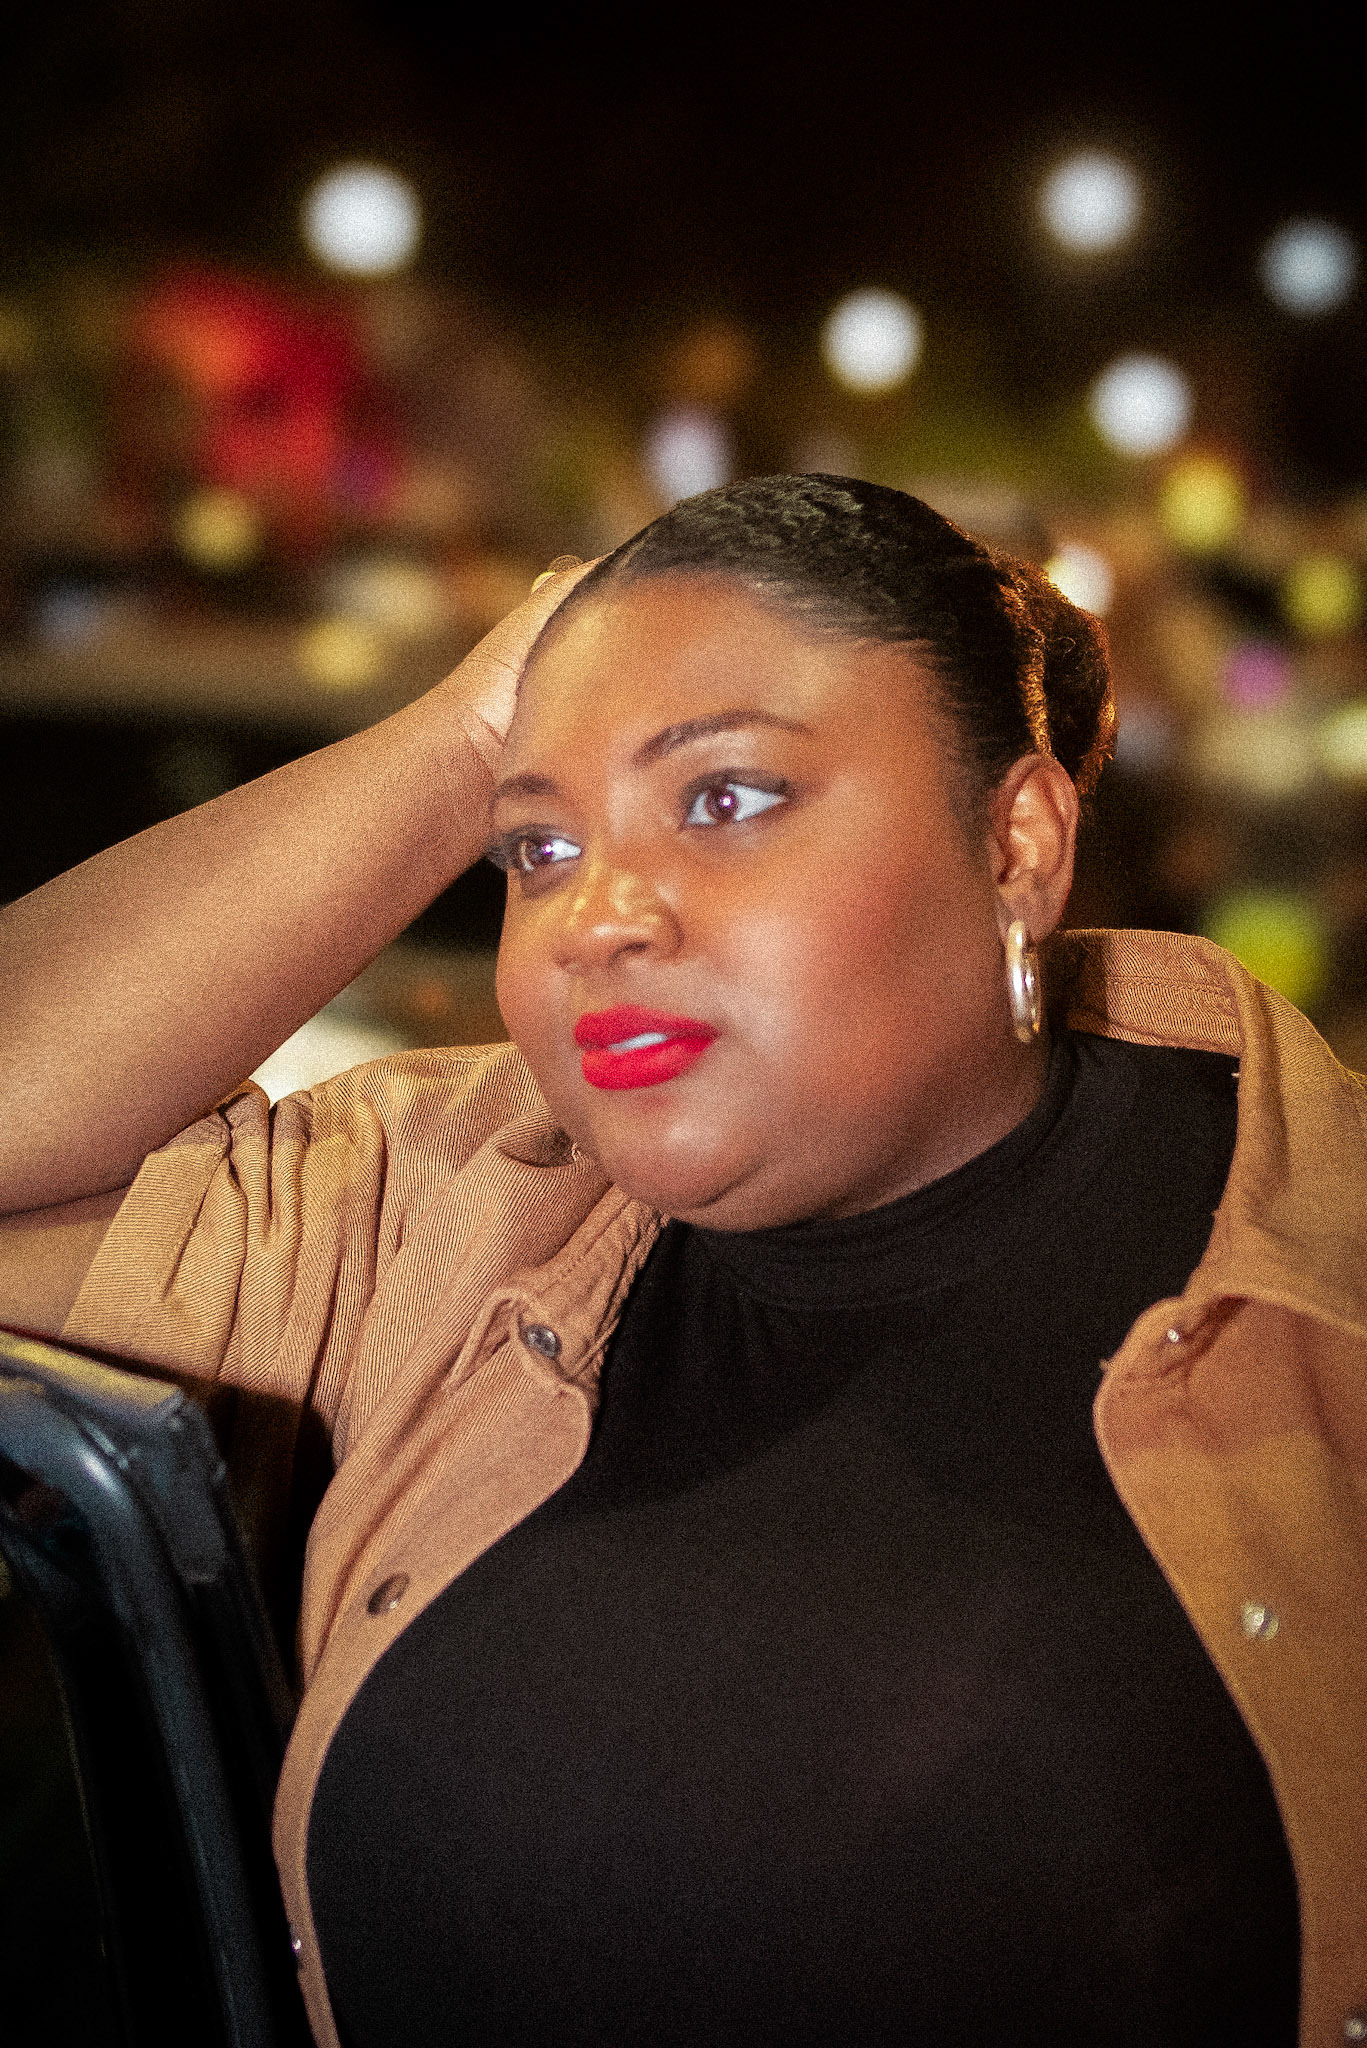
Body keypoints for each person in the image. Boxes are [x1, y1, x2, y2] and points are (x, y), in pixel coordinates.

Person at [1, 475, 1364, 2048]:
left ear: (1017, 844)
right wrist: (464, 734)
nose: (594, 917)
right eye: (536, 848)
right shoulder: (435, 1224)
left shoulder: (1321, 1263)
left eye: (724, 799)